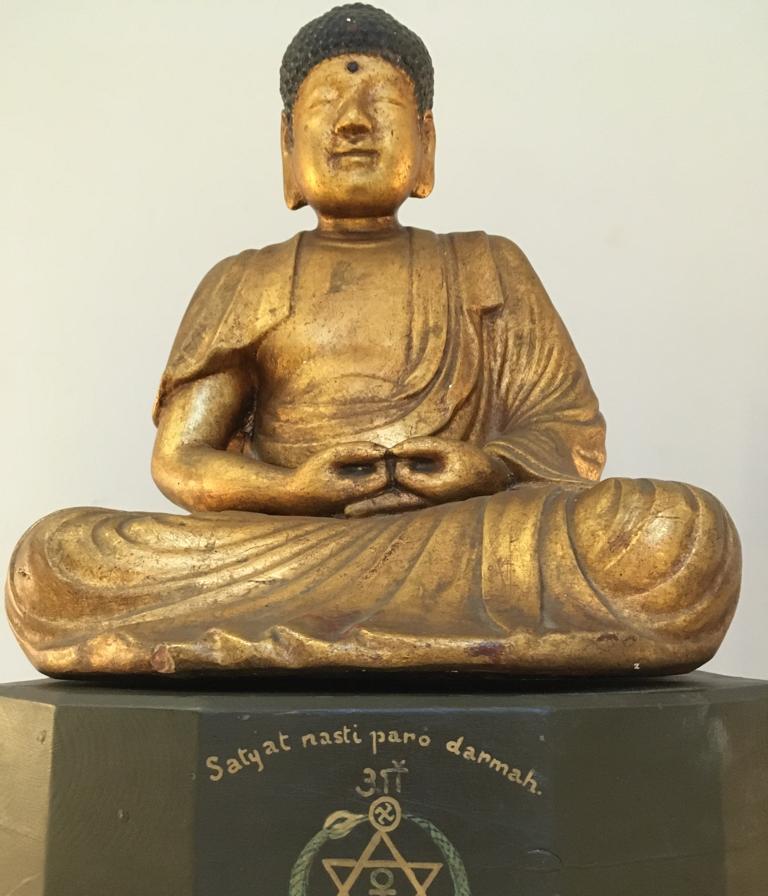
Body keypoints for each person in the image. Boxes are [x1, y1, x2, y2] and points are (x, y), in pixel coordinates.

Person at [6, 4, 740, 677]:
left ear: (426, 142)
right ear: (287, 144)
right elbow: (180, 459)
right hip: (289, 546)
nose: (353, 122)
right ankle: (447, 633)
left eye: (381, 103)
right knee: (59, 557)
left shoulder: (487, 263)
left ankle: (319, 630)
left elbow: (570, 435)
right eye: (326, 104)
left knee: (678, 531)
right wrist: (292, 491)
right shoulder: (244, 278)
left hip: (463, 536)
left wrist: (487, 467)